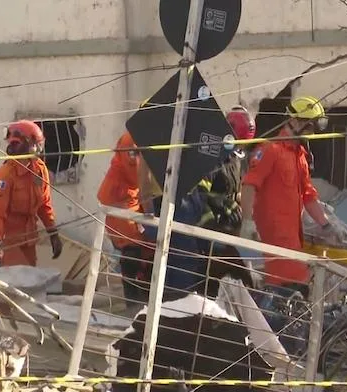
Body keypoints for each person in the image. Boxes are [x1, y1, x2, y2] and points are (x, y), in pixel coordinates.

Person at [240, 95, 347, 292]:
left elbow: (308, 196)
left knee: (296, 287)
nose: (311, 132)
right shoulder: (270, 150)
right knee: (290, 286)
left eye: (313, 128)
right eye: (308, 126)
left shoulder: (300, 157)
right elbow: (249, 185)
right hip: (276, 237)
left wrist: (326, 224)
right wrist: (247, 221)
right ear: (293, 120)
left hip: (293, 236)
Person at [159, 106, 257, 295]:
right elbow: (199, 193)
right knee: (196, 273)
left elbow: (233, 191)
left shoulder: (234, 158)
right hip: (205, 229)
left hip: (225, 230)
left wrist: (241, 213)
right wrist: (214, 219)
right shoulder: (210, 155)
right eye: (239, 144)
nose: (240, 149)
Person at [0, 120, 63, 267]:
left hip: (29, 239)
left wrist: (53, 233)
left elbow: (44, 204)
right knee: (14, 283)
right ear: (24, 144)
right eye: (37, 145)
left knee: (30, 280)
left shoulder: (39, 170)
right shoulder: (5, 175)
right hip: (8, 241)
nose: (39, 149)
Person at [97, 130, 160, 308]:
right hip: (117, 197)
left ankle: (143, 301)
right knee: (132, 247)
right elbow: (142, 177)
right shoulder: (135, 140)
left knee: (147, 248)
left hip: (132, 195)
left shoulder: (151, 136)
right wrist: (149, 213)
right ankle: (132, 304)